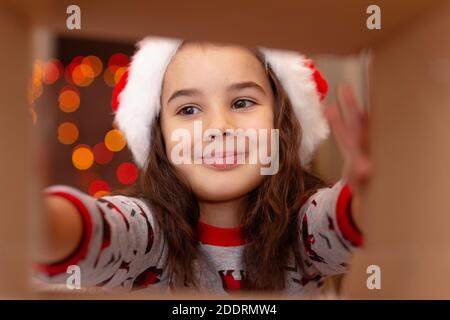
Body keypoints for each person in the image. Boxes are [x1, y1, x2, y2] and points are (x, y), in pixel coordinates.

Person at [34, 37, 372, 296]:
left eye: (242, 102)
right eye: (188, 110)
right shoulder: (146, 233)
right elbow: (93, 230)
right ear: (160, 138)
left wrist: (368, 193)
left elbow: (338, 221)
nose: (218, 126)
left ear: (280, 124)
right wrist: (36, 216)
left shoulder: (303, 226)